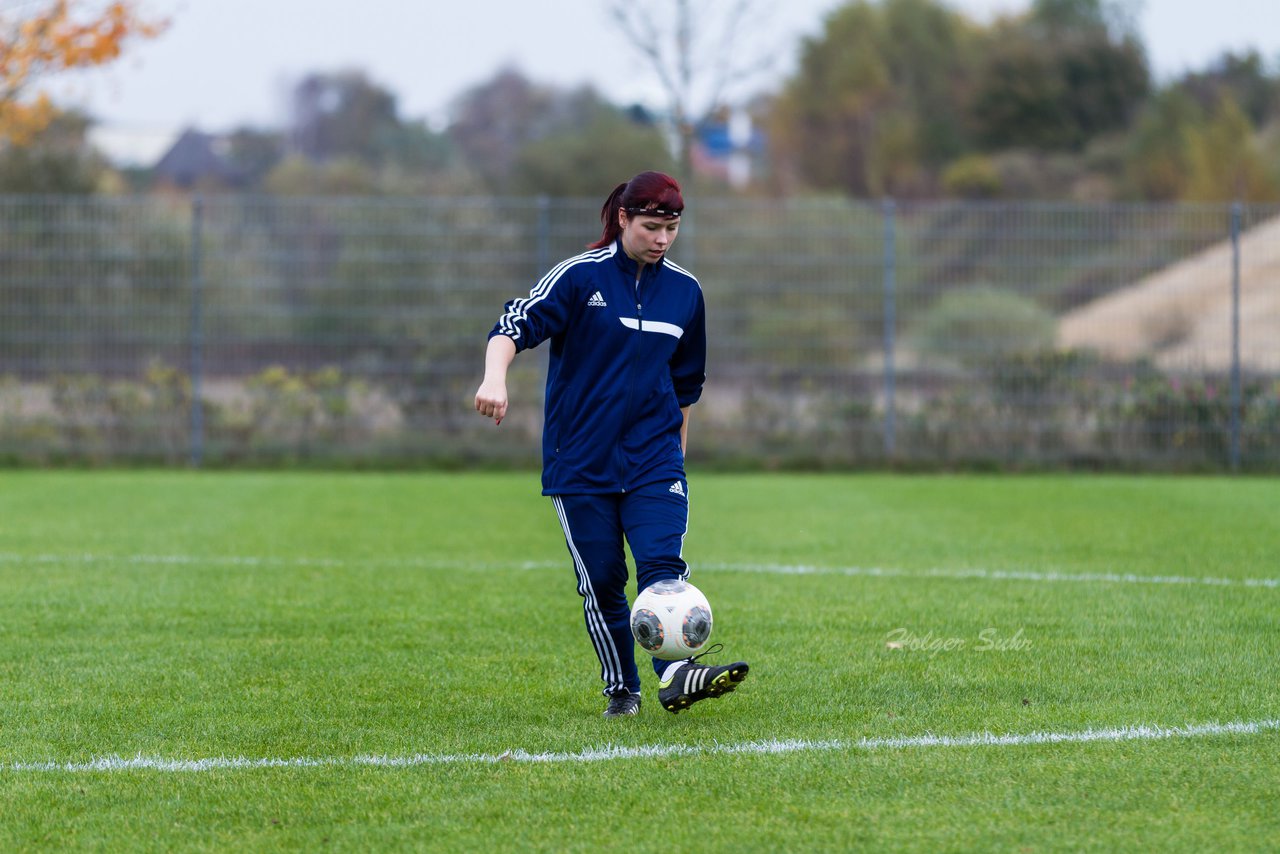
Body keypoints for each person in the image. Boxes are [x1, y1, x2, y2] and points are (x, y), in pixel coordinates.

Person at [474, 171, 749, 717]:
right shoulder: (580, 278)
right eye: (651, 226)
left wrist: (676, 457)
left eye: (671, 229)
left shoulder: (686, 293)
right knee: (603, 581)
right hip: (580, 462)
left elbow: (686, 387)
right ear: (623, 219)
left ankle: (676, 675)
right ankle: (623, 690)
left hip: (654, 459)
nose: (662, 239)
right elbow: (514, 323)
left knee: (662, 569)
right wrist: (493, 379)